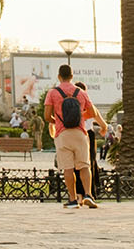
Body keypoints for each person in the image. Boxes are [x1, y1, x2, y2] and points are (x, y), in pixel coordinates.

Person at [45, 63, 106, 208]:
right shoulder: (81, 92)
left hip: (62, 134)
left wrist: (59, 121)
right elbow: (93, 113)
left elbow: (47, 116)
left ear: (59, 76)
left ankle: (73, 199)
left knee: (68, 168)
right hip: (80, 133)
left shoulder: (53, 93)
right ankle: (88, 195)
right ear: (72, 76)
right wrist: (80, 117)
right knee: (85, 166)